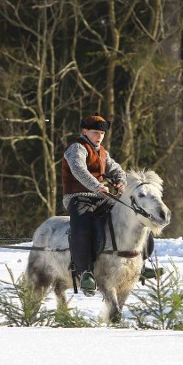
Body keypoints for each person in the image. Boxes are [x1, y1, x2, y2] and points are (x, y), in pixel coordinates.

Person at [62, 114, 126, 296]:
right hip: (78, 197)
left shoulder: (103, 152)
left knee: (129, 217)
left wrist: (120, 182)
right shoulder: (76, 148)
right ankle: (85, 273)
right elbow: (78, 169)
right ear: (84, 131)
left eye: (102, 133)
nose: (100, 136)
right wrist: (97, 186)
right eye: (96, 132)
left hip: (100, 197)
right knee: (82, 229)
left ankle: (141, 262)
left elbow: (117, 169)